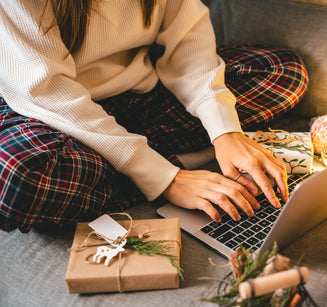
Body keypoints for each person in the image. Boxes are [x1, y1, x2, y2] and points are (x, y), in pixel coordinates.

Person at [0, 0, 308, 233]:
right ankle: (170, 165)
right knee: (18, 176)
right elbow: (48, 93)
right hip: (45, 111)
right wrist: (166, 180)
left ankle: (120, 168)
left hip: (137, 98)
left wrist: (226, 133)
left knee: (282, 71)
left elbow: (189, 43)